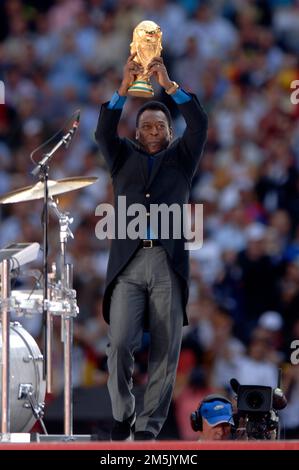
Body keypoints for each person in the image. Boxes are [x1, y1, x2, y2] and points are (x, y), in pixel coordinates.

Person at [95, 53, 208, 440]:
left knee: (165, 350)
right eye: (147, 124)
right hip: (127, 263)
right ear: (138, 132)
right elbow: (103, 133)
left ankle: (148, 429)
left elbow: (200, 122)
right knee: (120, 343)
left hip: (167, 261)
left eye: (161, 124)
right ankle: (123, 413)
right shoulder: (121, 156)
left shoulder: (183, 158)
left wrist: (170, 86)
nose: (155, 128)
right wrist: (122, 90)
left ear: (169, 132)